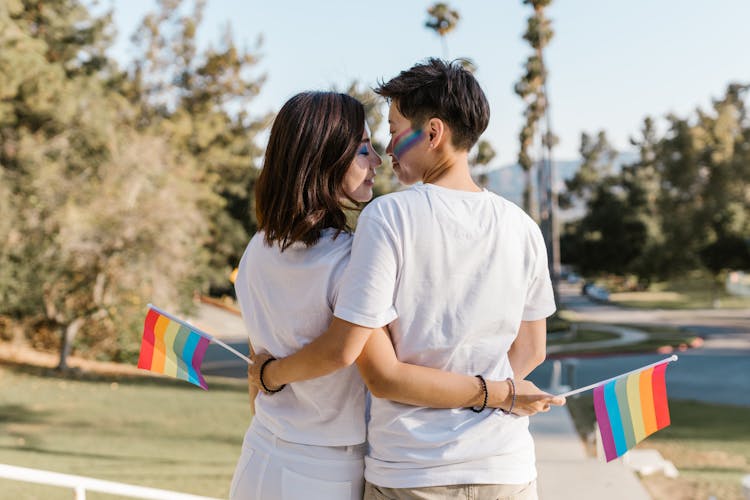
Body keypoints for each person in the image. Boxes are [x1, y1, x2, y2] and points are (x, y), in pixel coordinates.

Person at [249, 60, 565, 500]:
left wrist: (472, 396)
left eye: (395, 130)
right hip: (507, 467)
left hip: (413, 473)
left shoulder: (389, 215)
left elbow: (381, 375)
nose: (388, 148)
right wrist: (484, 396)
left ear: (433, 133)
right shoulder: (524, 226)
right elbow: (531, 350)